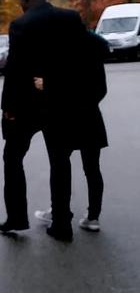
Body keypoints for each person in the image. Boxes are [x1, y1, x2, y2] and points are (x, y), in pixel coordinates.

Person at [0, 0, 88, 241]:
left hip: (26, 107)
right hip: (61, 104)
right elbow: (82, 62)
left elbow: (14, 71)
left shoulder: (21, 25)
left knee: (13, 159)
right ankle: (62, 223)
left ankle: (16, 217)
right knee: (60, 161)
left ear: (25, 0)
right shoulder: (71, 19)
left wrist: (8, 108)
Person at [32, 30, 109, 232]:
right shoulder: (94, 53)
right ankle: (93, 216)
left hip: (64, 118)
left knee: (59, 167)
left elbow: (63, 85)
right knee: (92, 168)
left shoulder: (59, 52)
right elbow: (100, 89)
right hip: (91, 117)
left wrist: (47, 85)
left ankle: (58, 210)